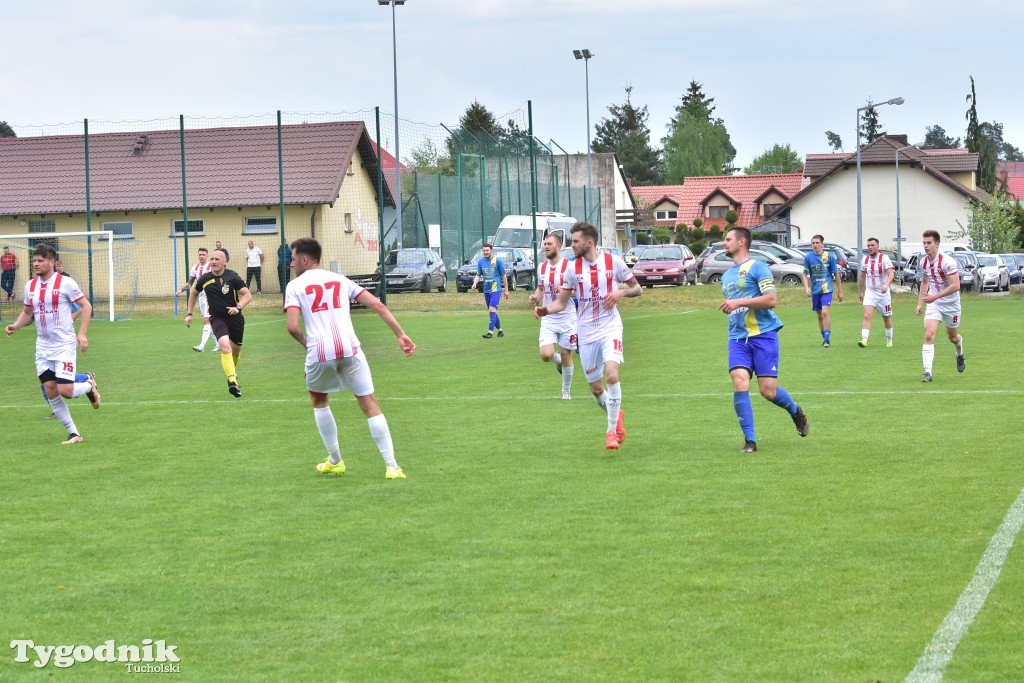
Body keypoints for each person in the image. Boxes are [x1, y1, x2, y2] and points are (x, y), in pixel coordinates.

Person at [285, 237, 415, 479]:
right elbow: (378, 305)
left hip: (319, 353)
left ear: (304, 259)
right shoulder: (340, 280)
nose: (290, 264)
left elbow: (292, 327)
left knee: (320, 401)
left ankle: (335, 460)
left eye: (292, 259)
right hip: (350, 349)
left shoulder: (295, 286)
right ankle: (392, 466)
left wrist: (307, 345)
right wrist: (401, 335)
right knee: (369, 403)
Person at [534, 222, 640, 450]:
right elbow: (561, 302)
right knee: (596, 389)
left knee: (612, 375)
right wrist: (547, 310)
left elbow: (637, 288)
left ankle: (611, 432)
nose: (571, 245)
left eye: (574, 241)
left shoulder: (614, 263)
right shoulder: (572, 268)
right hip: (586, 333)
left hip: (610, 327)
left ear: (588, 243)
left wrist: (620, 292)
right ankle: (616, 415)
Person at [718, 226, 809, 453]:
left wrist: (738, 303)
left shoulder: (758, 268)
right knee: (739, 381)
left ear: (741, 241)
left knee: (768, 391)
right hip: (737, 339)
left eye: (728, 239)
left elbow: (770, 300)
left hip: (763, 335)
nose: (724, 243)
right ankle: (750, 441)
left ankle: (794, 410)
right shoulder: (727, 275)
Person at [6, 243, 100, 445]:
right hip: (43, 347)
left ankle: (88, 385)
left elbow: (86, 306)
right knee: (50, 389)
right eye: (34, 261)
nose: (35, 264)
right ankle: (74, 434)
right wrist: (16, 325)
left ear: (51, 262)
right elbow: (28, 312)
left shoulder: (65, 283)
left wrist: (82, 334)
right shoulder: (30, 286)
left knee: (65, 391)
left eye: (40, 261)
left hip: (64, 344)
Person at [185, 249, 252, 397]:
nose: (213, 262)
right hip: (216, 318)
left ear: (225, 261)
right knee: (224, 347)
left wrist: (238, 307)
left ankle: (231, 375)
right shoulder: (204, 278)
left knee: (236, 352)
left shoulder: (232, 276)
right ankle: (232, 381)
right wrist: (189, 313)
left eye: (217, 259)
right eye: (212, 259)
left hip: (235, 318)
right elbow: (193, 294)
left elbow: (247, 294)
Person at [528, 234, 576, 400]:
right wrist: (536, 297)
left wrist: (565, 291)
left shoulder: (569, 267)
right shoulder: (542, 267)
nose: (546, 246)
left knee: (566, 355)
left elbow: (579, 291)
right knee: (546, 355)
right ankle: (558, 361)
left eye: (549, 244)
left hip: (568, 317)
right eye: (545, 244)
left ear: (558, 246)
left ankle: (566, 392)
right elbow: (541, 288)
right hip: (549, 316)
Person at [915, 230, 965, 382]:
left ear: (937, 244)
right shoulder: (923, 262)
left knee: (953, 337)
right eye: (924, 243)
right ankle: (928, 373)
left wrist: (934, 296)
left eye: (929, 243)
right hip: (934, 303)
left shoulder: (947, 261)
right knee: (929, 334)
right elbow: (924, 282)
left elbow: (956, 285)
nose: (926, 246)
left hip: (951, 304)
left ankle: (959, 354)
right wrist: (920, 303)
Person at [801, 234, 843, 347]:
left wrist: (840, 291)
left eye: (817, 243)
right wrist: (806, 288)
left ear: (822, 244)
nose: (815, 245)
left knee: (825, 312)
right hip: (815, 290)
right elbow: (804, 274)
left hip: (827, 289)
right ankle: (824, 337)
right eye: (813, 243)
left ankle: (827, 339)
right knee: (819, 315)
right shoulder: (808, 257)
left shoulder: (829, 257)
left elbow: (836, 274)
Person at [857, 237, 895, 348]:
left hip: (883, 294)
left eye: (872, 245)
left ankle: (889, 340)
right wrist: (860, 291)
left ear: (878, 247)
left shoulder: (884, 258)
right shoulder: (865, 260)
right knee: (867, 315)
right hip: (870, 292)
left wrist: (886, 285)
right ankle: (864, 340)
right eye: (868, 245)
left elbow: (891, 273)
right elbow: (862, 277)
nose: (870, 247)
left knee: (886, 317)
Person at [174, 247, 214, 352]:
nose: (201, 256)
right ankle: (219, 344)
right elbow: (190, 283)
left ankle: (202, 346)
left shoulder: (211, 266)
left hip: (211, 297)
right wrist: (181, 290)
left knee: (207, 320)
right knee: (209, 321)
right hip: (201, 298)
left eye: (203, 254)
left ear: (207, 256)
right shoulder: (195, 268)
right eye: (200, 254)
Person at [472, 243, 510, 338]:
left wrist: (506, 290)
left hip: (496, 289)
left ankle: (490, 332)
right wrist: (475, 283)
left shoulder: (498, 261)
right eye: (484, 250)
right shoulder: (481, 262)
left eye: (487, 250)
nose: (485, 252)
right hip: (486, 290)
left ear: (491, 251)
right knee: (492, 311)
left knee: (491, 309)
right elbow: (478, 274)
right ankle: (500, 331)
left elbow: (503, 276)